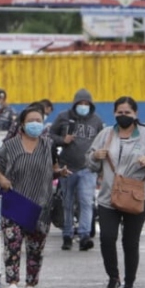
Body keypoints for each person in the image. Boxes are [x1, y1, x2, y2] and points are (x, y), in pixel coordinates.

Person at [87, 96, 145, 288]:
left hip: (137, 196)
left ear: (136, 114)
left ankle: (129, 285)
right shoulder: (106, 134)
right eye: (120, 113)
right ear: (114, 113)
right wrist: (94, 156)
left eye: (127, 113)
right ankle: (113, 277)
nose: (123, 116)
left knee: (130, 242)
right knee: (107, 238)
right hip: (109, 196)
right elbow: (90, 163)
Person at [0, 103, 65, 288]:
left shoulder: (49, 145)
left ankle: (31, 284)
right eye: (31, 121)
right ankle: (12, 283)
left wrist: (61, 173)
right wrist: (2, 179)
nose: (35, 124)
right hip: (15, 201)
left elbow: (54, 169)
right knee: (12, 243)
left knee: (36, 247)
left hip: (40, 204)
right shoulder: (10, 145)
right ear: (22, 124)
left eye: (38, 121)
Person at [50, 88, 104, 251]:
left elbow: (101, 143)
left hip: (88, 168)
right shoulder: (63, 117)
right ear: (74, 104)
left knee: (86, 202)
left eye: (86, 103)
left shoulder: (96, 121)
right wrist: (62, 140)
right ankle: (67, 235)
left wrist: (100, 168)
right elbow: (49, 136)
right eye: (80, 103)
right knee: (67, 203)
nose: (83, 106)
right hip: (67, 167)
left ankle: (84, 235)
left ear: (90, 105)